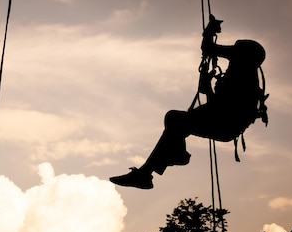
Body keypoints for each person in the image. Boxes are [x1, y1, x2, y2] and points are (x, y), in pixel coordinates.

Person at [110, 14, 267, 189]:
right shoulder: (241, 75)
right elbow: (210, 50)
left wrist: (207, 84)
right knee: (174, 119)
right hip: (223, 122)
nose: (230, 56)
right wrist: (208, 34)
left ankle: (158, 166)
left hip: (225, 125)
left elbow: (221, 109)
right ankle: (158, 166)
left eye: (234, 54)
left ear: (241, 58)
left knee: (176, 120)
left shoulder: (244, 83)